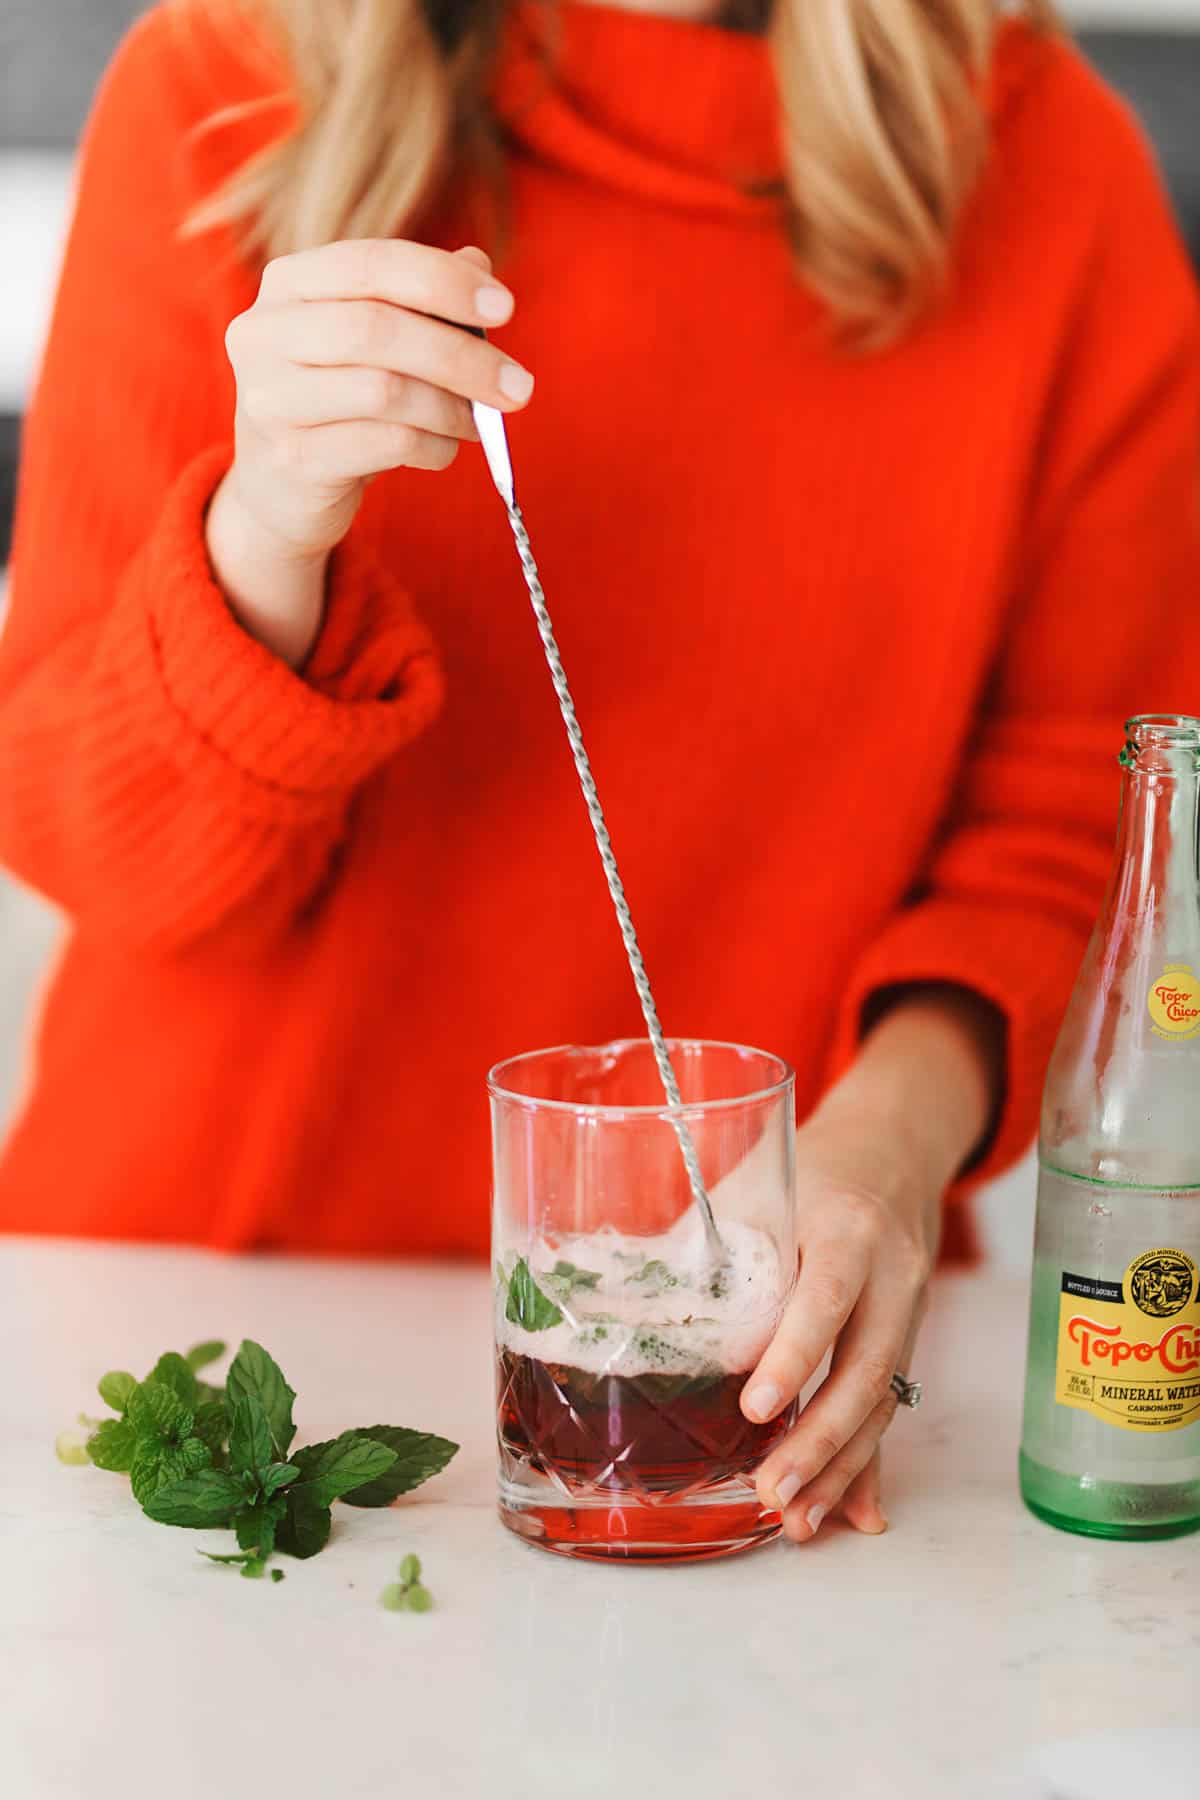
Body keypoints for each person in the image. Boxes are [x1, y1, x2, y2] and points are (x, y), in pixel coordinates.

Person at [0, 0, 1197, 1546]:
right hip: (189, 1359)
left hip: (749, 1405)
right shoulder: (222, 88)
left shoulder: (1052, 171)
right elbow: (84, 839)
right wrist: (266, 534)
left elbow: (1071, 822)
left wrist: (890, 1151)